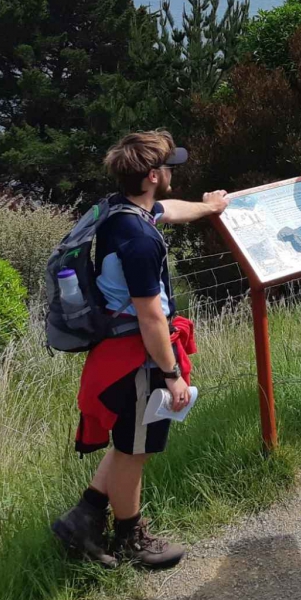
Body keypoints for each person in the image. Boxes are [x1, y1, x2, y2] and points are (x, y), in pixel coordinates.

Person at [50, 131, 229, 569]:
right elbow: (152, 318)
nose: (172, 174)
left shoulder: (120, 212)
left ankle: (85, 517)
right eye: (169, 167)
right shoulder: (141, 241)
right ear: (153, 175)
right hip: (135, 359)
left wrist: (210, 207)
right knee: (134, 451)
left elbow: (170, 209)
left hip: (115, 353)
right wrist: (172, 374)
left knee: (133, 442)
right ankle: (131, 538)